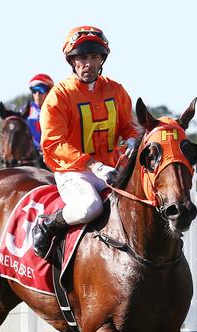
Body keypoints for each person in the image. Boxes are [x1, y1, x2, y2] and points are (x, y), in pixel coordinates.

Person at [32, 25, 139, 259]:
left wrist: (132, 139)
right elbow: (53, 143)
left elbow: (129, 126)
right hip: (74, 172)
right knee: (91, 207)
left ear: (102, 59)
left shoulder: (116, 90)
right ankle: (49, 224)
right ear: (72, 61)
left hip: (111, 170)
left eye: (94, 57)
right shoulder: (59, 96)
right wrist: (93, 165)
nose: (88, 64)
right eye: (82, 58)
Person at [24, 73, 55, 152]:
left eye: (41, 90)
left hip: (53, 152)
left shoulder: (57, 109)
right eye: (34, 91)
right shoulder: (25, 109)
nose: (37, 94)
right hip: (32, 154)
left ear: (49, 92)